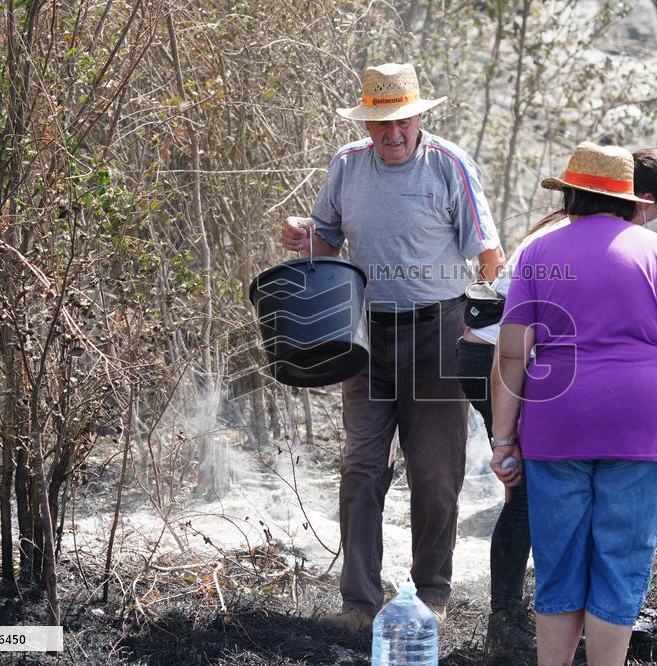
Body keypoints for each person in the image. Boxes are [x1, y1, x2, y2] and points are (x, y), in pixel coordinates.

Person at [280, 62, 504, 632]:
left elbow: (489, 254)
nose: (394, 133)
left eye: (403, 121)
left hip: (440, 332)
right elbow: (326, 238)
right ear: (367, 123)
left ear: (420, 116)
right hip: (367, 334)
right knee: (361, 466)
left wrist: (494, 322)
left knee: (434, 470)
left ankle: (431, 592)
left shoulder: (448, 165)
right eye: (382, 123)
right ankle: (358, 603)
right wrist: (305, 234)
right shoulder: (347, 166)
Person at [455, 145, 657, 652]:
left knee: (559, 563)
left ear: (570, 193)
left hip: (557, 423)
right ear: (632, 199)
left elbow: (512, 356)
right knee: (621, 562)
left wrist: (503, 440)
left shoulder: (540, 252)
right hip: (641, 428)